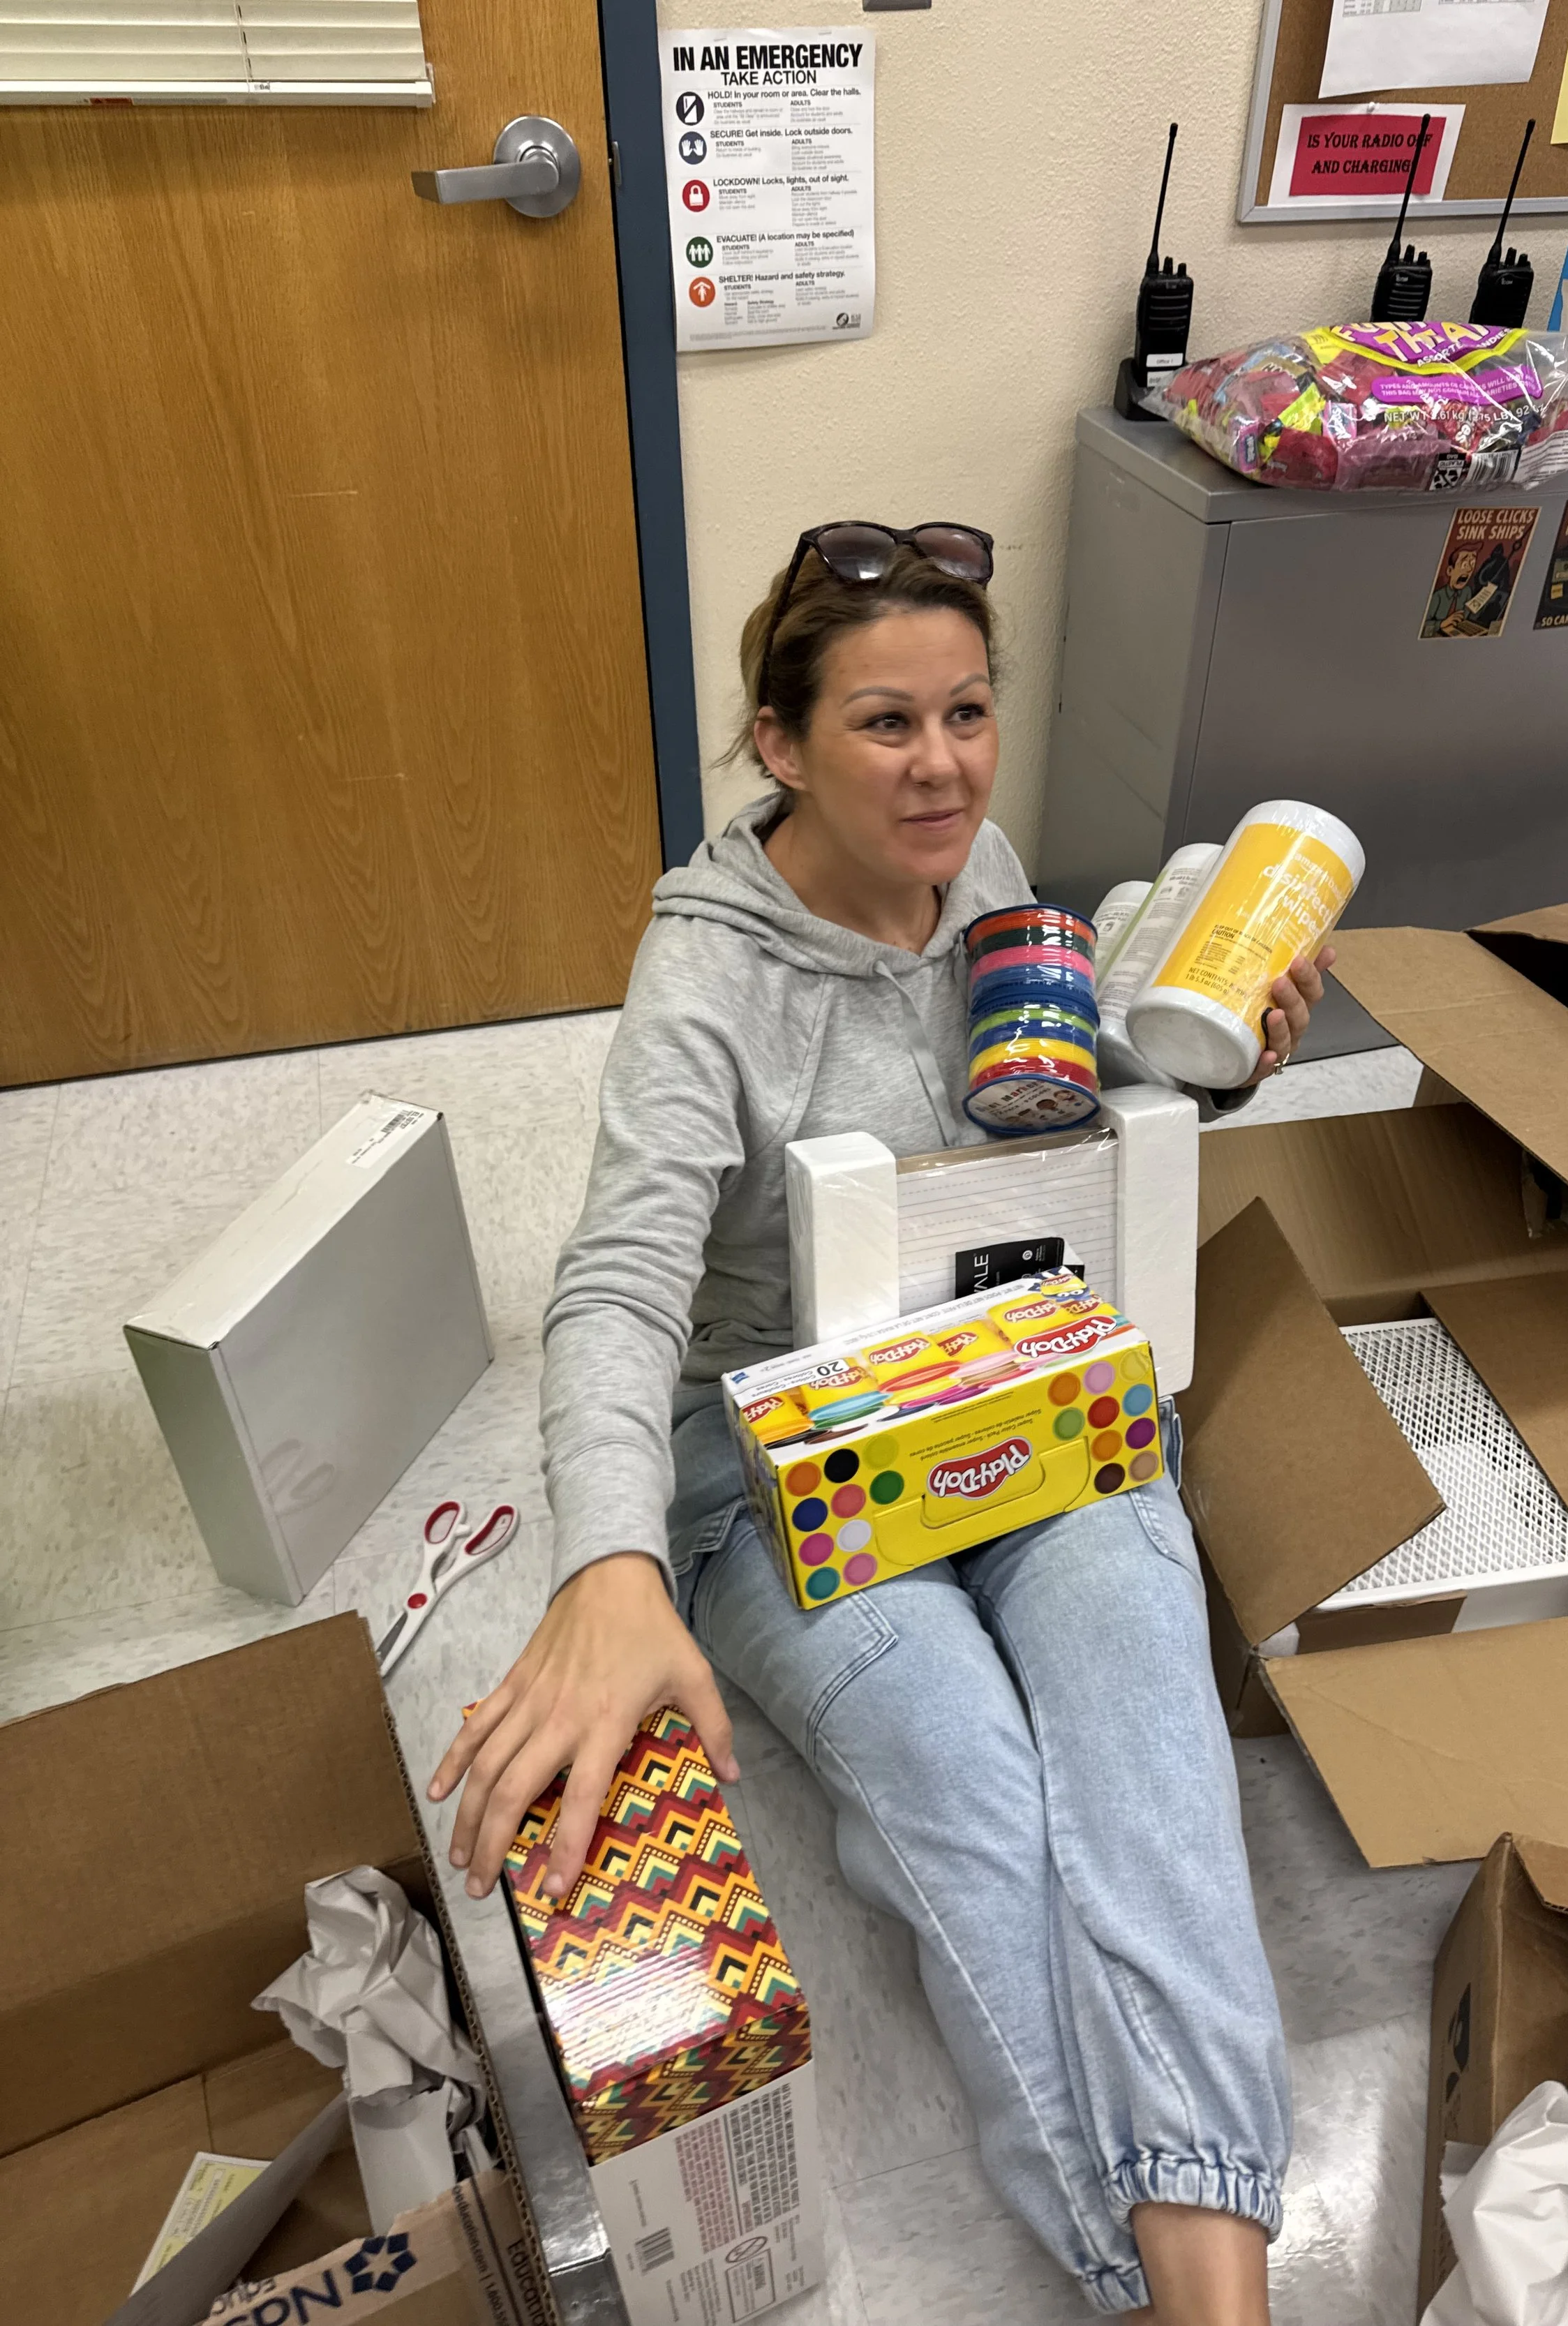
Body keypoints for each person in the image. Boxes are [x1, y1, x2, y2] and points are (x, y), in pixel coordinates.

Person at [431, 523, 1336, 2324]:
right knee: (971, 1784)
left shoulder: (979, 862)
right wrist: (610, 1562)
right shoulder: (706, 982)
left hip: (1000, 1368)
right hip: (768, 1446)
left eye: (967, 712)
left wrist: (1208, 1053)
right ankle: (1151, 2280)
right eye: (879, 725)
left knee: (1146, 1750)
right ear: (777, 744)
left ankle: (1217, 2286)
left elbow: (1040, 1108)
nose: (938, 768)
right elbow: (615, 1281)